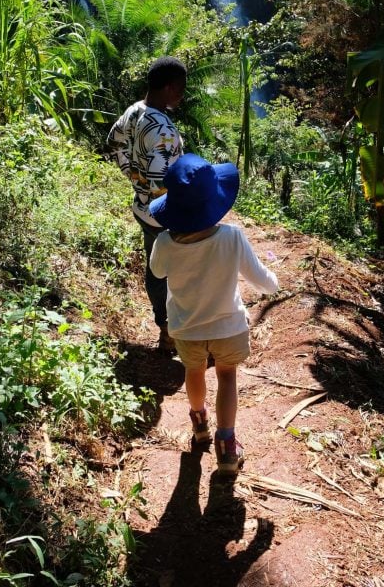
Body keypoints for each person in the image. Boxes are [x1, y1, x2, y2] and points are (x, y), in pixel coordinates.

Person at [149, 153, 279, 475]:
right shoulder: (232, 237)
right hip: (228, 328)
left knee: (193, 373)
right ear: (215, 201)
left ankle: (199, 425)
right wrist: (274, 282)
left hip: (186, 328)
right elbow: (263, 281)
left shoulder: (165, 242)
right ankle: (226, 446)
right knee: (226, 377)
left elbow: (157, 271)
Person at [106, 56, 187, 352]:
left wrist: (132, 174)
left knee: (156, 269)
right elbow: (160, 184)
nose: (181, 95)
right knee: (182, 273)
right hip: (165, 215)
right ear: (167, 88)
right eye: (180, 89)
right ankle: (183, 334)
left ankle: (165, 330)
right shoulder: (162, 128)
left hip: (143, 210)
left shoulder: (135, 111)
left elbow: (114, 142)